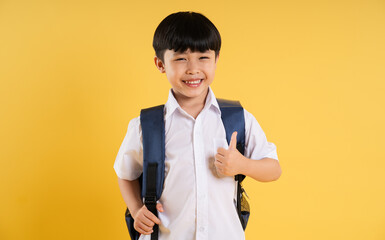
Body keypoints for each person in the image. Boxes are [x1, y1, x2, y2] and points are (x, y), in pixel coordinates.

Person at [114, 11, 282, 240]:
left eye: (203, 57)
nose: (193, 69)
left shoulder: (236, 119)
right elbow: (125, 173)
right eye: (181, 59)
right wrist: (136, 209)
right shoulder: (147, 126)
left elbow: (274, 169)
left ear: (216, 59)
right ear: (160, 64)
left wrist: (242, 165)